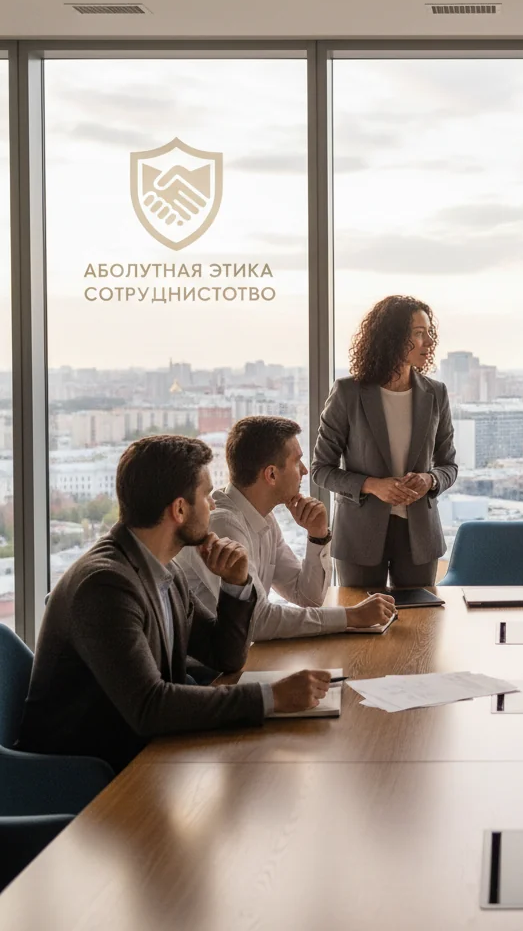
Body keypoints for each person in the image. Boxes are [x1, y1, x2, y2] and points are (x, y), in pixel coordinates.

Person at [17, 436, 331, 773]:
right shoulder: (105, 586)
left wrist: (236, 584)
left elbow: (224, 656)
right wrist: (272, 697)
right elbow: (150, 706)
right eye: (207, 496)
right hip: (84, 772)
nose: (214, 505)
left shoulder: (163, 568)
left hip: (145, 752)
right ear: (179, 510)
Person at [177, 416, 396, 643]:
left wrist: (318, 535)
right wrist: (351, 616)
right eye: (297, 461)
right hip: (210, 673)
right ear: (271, 474)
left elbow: (307, 597)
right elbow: (257, 621)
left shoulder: (265, 519)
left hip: (242, 658)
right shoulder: (222, 524)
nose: (304, 471)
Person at [311, 295, 458, 588]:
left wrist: (430, 480)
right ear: (392, 337)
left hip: (419, 535)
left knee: (420, 625)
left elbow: (449, 466)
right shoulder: (348, 393)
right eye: (419, 333)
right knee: (361, 625)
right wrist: (373, 485)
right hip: (359, 535)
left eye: (429, 333)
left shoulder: (435, 394)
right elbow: (320, 470)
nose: (429, 342)